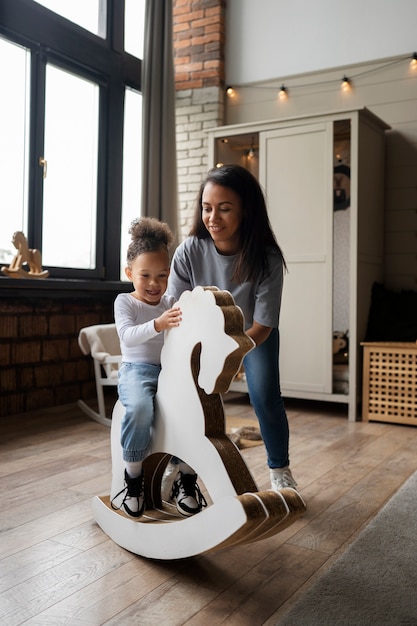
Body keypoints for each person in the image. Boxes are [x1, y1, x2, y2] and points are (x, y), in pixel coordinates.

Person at [168, 164, 297, 492]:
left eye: (224, 209)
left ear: (246, 211)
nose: (213, 218)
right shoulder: (189, 251)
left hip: (254, 335)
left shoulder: (266, 258)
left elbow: (265, 323)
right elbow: (175, 309)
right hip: (198, 336)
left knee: (265, 397)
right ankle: (179, 467)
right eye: (207, 208)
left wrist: (232, 355)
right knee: (186, 397)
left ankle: (279, 468)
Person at [112, 216, 206, 518]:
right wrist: (157, 323)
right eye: (146, 275)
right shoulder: (125, 302)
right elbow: (127, 335)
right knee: (139, 408)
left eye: (162, 276)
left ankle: (186, 477)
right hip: (136, 371)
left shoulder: (171, 302)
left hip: (169, 372)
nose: (154, 284)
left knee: (197, 408)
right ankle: (134, 477)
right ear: (129, 273)